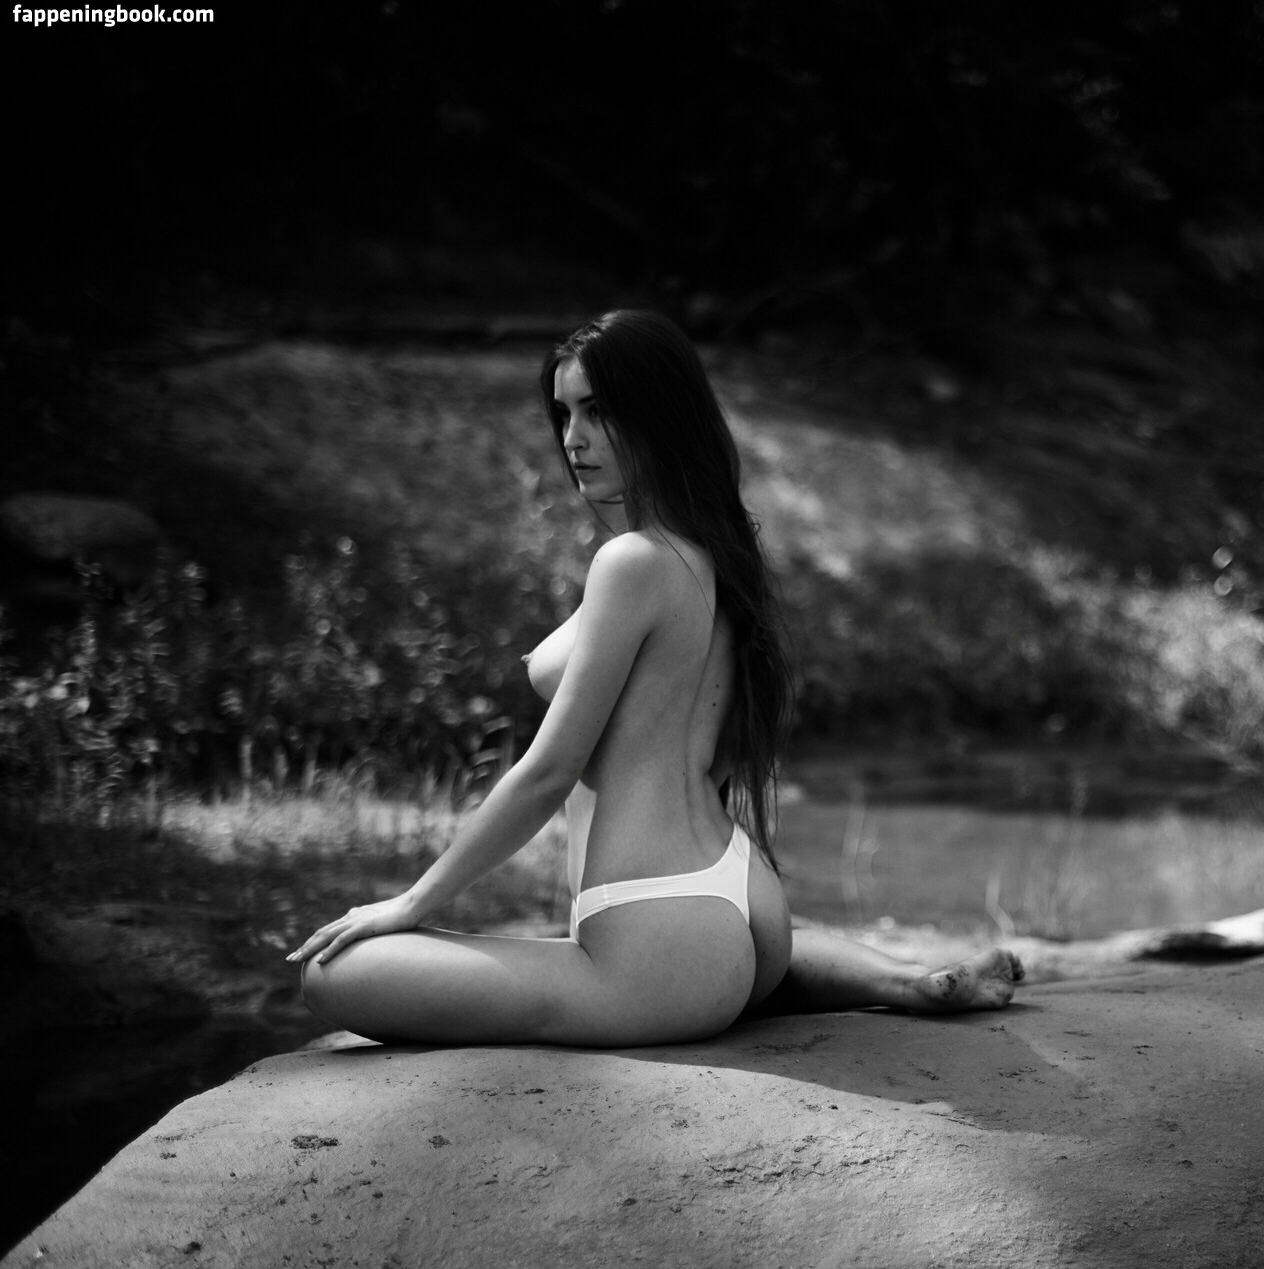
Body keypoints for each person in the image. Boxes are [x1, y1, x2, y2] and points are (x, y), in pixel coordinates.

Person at [290, 310, 1022, 1045]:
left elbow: (549, 773)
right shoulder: (711, 554)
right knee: (684, 960)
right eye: (565, 413)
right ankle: (902, 981)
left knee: (333, 973)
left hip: (654, 931)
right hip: (741, 898)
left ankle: (827, 981)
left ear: (658, 417)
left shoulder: (631, 564)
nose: (573, 439)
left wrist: (413, 902)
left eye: (598, 412)